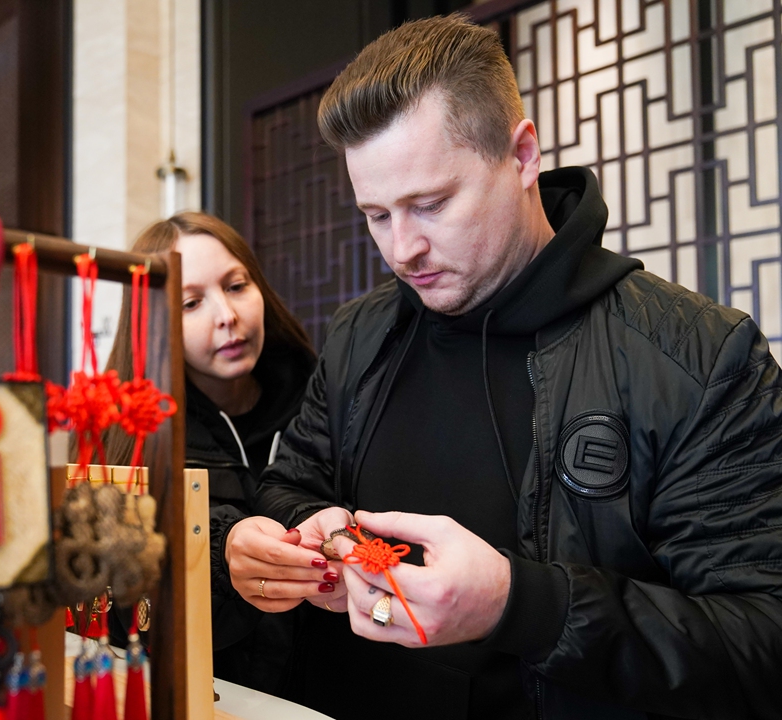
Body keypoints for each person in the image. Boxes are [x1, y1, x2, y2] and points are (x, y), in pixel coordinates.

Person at [223, 13, 782, 719]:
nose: (402, 251)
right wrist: (297, 536)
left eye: (429, 204)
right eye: (375, 215)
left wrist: (521, 606)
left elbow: (763, 639)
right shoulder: (363, 332)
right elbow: (292, 482)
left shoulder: (696, 356)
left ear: (521, 157)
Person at [104, 212, 322, 697]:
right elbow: (121, 611)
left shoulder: (323, 405)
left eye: (237, 285)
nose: (227, 315)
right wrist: (219, 558)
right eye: (192, 302)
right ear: (152, 322)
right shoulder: (134, 438)